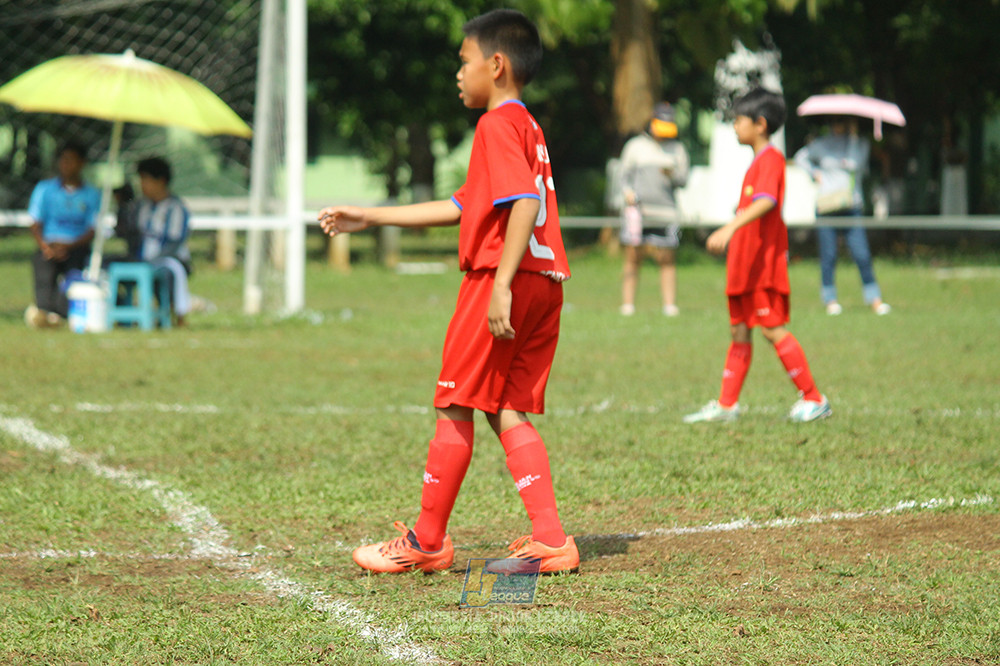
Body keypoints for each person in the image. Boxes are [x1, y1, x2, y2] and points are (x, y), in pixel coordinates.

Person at [318, 9, 578, 575]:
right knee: (506, 407)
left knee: (454, 402)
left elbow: (524, 202)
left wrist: (500, 284)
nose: (458, 73)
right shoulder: (526, 126)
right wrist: (372, 216)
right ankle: (552, 540)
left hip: (502, 279)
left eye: (464, 61)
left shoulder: (495, 124)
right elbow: (464, 205)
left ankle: (427, 541)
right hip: (545, 281)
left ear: (497, 64)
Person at [684, 88, 831, 424]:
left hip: (762, 266)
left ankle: (814, 398)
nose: (735, 126)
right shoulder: (756, 162)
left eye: (739, 120)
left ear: (760, 124)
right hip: (744, 265)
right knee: (739, 331)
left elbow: (766, 201)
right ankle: (727, 405)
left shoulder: (771, 159)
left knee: (771, 329)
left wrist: (729, 228)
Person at [794, 118, 890, 315]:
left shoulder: (860, 144)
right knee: (828, 255)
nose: (838, 125)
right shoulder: (821, 144)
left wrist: (853, 138)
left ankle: (874, 298)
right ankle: (830, 299)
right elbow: (800, 158)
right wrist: (814, 172)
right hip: (827, 206)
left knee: (862, 254)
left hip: (851, 206)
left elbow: (856, 165)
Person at [618, 102, 689, 316]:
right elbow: (623, 177)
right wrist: (628, 193)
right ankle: (628, 305)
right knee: (633, 257)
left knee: (666, 259)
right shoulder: (635, 146)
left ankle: (669, 305)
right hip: (638, 214)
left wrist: (672, 174)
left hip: (666, 213)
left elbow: (683, 180)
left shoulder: (678, 149)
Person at [24, 141, 101, 328]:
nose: (66, 164)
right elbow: (35, 222)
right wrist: (45, 246)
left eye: (71, 160)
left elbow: (92, 229)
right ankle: (44, 311)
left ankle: (61, 312)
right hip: (49, 246)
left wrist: (69, 246)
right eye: (63, 160)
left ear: (82, 163)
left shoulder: (92, 194)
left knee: (73, 280)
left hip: (77, 247)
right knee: (43, 268)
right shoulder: (45, 189)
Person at [123, 157, 193, 326]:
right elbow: (130, 235)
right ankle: (125, 314)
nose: (142, 185)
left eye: (145, 180)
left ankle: (171, 313)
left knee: (166, 272)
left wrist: (152, 261)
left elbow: (175, 242)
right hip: (142, 259)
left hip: (170, 259)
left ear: (161, 181)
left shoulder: (176, 208)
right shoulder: (140, 207)